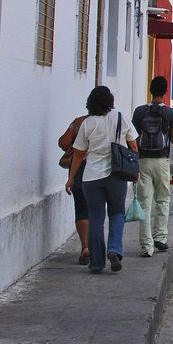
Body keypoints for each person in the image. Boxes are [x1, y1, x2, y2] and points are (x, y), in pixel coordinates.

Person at [66, 86, 138, 274]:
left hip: (91, 177)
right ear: (111, 101)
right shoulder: (121, 118)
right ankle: (114, 249)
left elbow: (79, 154)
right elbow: (133, 145)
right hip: (117, 175)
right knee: (116, 214)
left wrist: (71, 178)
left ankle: (97, 262)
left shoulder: (87, 123)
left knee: (96, 218)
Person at [132, 76, 173, 258]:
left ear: (150, 90)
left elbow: (133, 138)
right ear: (165, 91)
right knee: (163, 200)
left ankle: (146, 246)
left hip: (143, 161)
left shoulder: (139, 112)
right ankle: (160, 237)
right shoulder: (170, 113)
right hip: (161, 162)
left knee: (144, 203)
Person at [57, 110, 90, 265]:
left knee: (81, 208)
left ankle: (85, 246)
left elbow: (63, 143)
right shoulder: (110, 121)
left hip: (79, 168)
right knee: (97, 209)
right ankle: (98, 245)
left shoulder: (79, 122)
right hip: (101, 169)